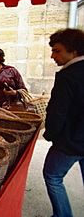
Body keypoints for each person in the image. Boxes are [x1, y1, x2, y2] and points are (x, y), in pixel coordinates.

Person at [42, 28, 84, 217]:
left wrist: (50, 135)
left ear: (73, 50)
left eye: (57, 51)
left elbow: (57, 112)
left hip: (70, 141)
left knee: (53, 176)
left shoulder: (68, 75)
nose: (52, 56)